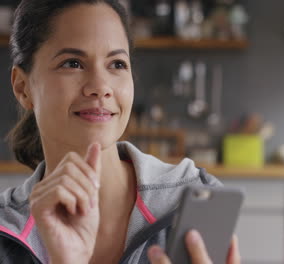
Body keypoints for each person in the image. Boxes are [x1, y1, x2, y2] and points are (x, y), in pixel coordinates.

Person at [0, 0, 241, 263]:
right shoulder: (5, 230)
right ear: (23, 87)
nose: (101, 86)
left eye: (116, 64)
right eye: (72, 63)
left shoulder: (193, 200)